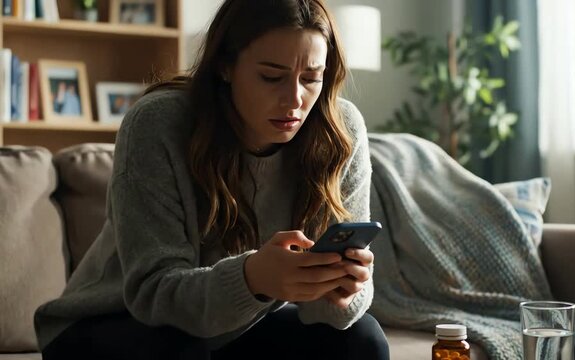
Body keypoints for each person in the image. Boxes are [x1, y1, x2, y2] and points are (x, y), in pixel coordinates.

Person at [34, 0, 389, 359]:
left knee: (363, 339)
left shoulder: (339, 131)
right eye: (271, 76)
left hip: (236, 324)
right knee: (184, 350)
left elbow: (329, 312)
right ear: (225, 66)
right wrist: (252, 279)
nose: (294, 98)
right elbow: (153, 293)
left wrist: (341, 293)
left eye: (312, 78)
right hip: (112, 320)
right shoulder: (157, 123)